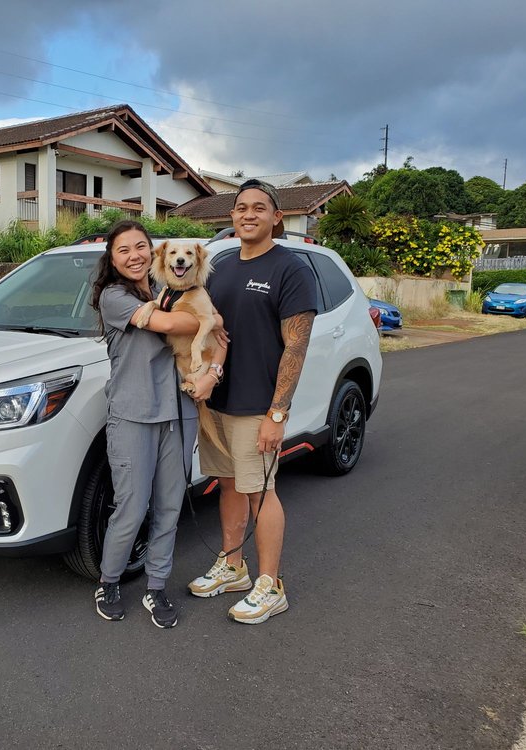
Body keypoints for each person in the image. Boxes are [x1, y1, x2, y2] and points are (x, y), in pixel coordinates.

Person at [187, 179, 318, 625]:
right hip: (216, 403)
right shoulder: (221, 267)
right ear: (232, 215)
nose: (248, 214)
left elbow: (296, 347)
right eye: (241, 207)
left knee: (261, 492)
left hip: (257, 406)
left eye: (259, 208)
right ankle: (233, 566)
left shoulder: (290, 269)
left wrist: (277, 414)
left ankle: (270, 584)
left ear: (276, 217)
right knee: (228, 485)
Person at [90, 220, 223, 629]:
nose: (135, 255)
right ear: (113, 259)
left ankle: (157, 585)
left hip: (179, 412)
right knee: (132, 507)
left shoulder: (169, 289)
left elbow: (221, 341)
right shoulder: (115, 297)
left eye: (141, 246)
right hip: (133, 414)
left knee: (169, 506)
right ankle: (109, 581)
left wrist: (213, 370)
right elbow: (168, 325)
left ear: (153, 252)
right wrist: (212, 318)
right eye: (124, 249)